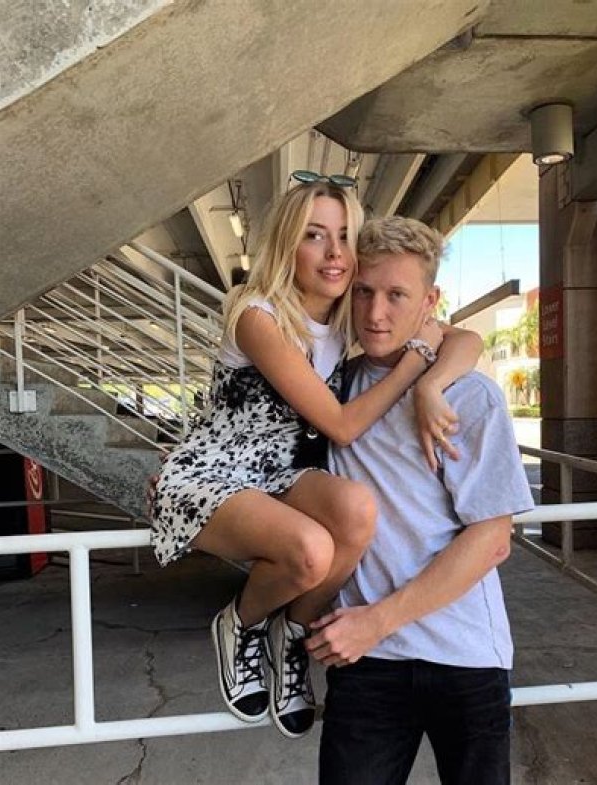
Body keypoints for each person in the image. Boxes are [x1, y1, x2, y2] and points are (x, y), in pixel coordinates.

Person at [149, 177, 483, 740]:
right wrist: (414, 365)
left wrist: (432, 384)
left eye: (345, 236)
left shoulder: (347, 316)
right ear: (288, 243)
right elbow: (342, 426)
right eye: (315, 235)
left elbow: (464, 339)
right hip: (215, 473)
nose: (334, 253)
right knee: (311, 551)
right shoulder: (258, 315)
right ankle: (241, 624)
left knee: (357, 509)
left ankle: (293, 632)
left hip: (281, 472)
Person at [306, 216, 535, 785]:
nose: (375, 313)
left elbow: (492, 540)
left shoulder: (467, 393)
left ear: (430, 301)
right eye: (364, 292)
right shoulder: (331, 391)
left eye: (396, 295)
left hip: (464, 654)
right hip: (367, 662)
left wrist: (377, 622)